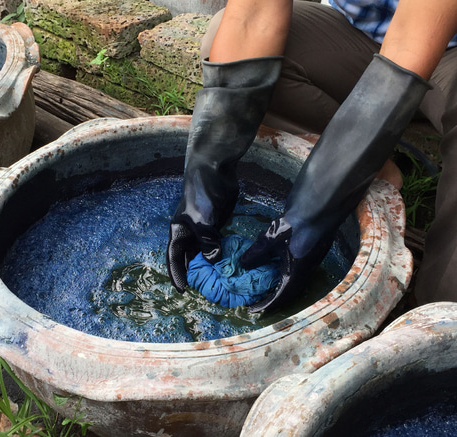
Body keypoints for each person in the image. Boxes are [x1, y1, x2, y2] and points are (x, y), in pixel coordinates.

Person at [166, 0, 457, 312]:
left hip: (445, 45)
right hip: (359, 33)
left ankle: (435, 319)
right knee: (227, 41)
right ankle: (376, 168)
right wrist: (204, 177)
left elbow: (414, 35)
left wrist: (311, 214)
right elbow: (252, 15)